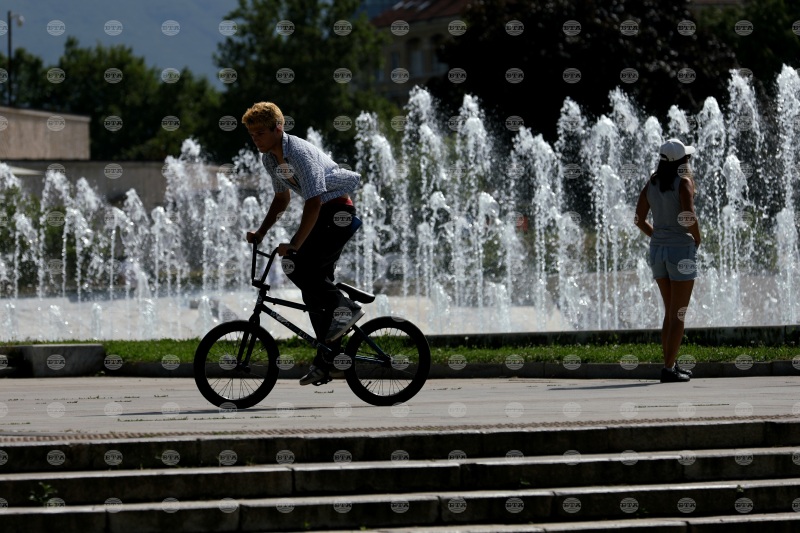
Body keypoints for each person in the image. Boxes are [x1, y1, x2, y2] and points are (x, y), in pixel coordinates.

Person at [242, 102, 364, 386]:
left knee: (294, 264)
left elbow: (313, 201)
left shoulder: (298, 152)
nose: (255, 139)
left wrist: (295, 243)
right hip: (324, 215)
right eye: (251, 134)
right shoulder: (270, 160)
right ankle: (329, 360)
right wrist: (261, 232)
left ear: (278, 129)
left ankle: (346, 307)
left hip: (338, 213)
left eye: (260, 133)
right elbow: (282, 199)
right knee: (313, 293)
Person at [634, 138, 702, 383]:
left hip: (657, 252)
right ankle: (668, 369)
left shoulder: (651, 183)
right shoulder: (683, 182)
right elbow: (688, 215)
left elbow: (639, 219)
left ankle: (670, 365)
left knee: (670, 313)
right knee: (678, 314)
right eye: (687, 158)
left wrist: (657, 236)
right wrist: (697, 238)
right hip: (680, 251)